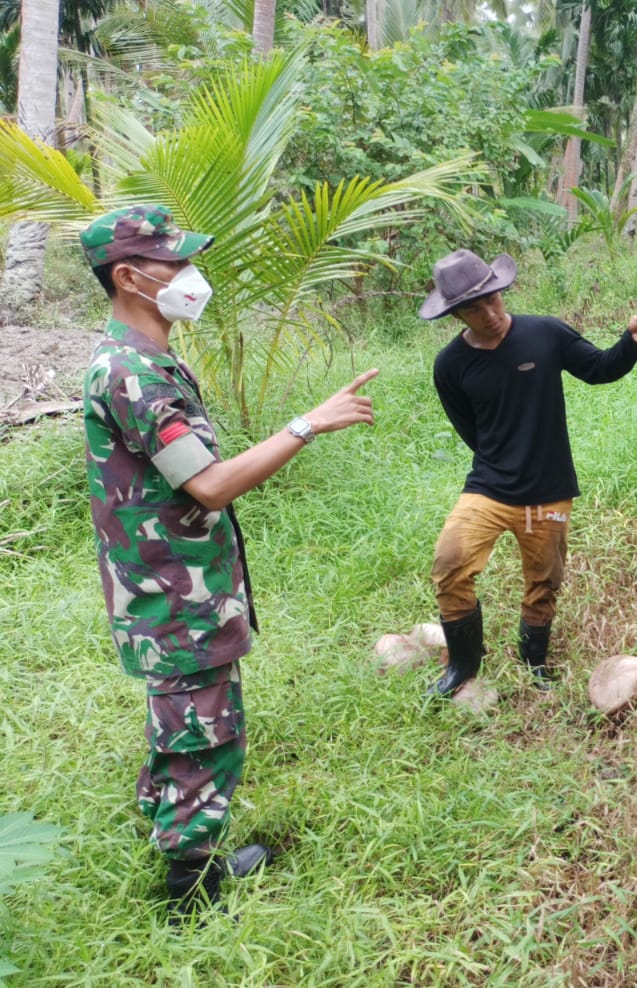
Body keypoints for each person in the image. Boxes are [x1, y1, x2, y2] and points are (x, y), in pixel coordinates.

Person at [80, 204, 379, 918]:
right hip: (173, 594)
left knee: (182, 717)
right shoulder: (132, 373)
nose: (191, 276)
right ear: (129, 276)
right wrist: (307, 423)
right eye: (175, 264)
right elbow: (209, 483)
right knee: (204, 731)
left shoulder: (147, 357)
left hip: (176, 583)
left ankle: (173, 833)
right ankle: (191, 893)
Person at [420, 248, 637, 697]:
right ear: (456, 316)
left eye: (494, 298)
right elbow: (472, 430)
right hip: (489, 487)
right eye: (475, 308)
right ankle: (463, 666)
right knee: (450, 562)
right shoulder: (450, 365)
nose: (490, 312)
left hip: (548, 489)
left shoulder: (544, 333)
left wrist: (631, 341)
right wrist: (504, 460)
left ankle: (534, 663)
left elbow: (600, 369)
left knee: (544, 580)